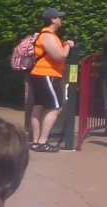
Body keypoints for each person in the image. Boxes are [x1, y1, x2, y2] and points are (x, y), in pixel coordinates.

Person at [28, 10, 73, 152]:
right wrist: (68, 45)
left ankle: (36, 141)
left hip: (39, 74)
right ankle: (42, 141)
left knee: (39, 107)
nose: (61, 19)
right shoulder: (48, 36)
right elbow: (60, 56)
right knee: (55, 107)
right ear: (53, 20)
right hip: (47, 74)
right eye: (59, 17)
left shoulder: (45, 35)